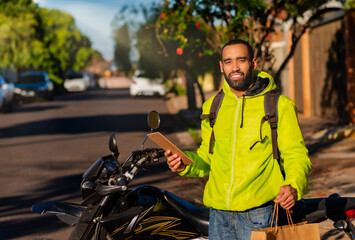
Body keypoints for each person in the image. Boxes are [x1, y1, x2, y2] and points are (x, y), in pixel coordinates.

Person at [165, 39, 312, 240]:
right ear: (221, 66)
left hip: (259, 215)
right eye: (228, 61)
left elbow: (296, 155)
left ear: (253, 63)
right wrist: (184, 164)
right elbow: (207, 158)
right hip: (219, 215)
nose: (235, 67)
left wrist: (293, 185)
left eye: (241, 60)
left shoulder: (279, 105)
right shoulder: (212, 106)